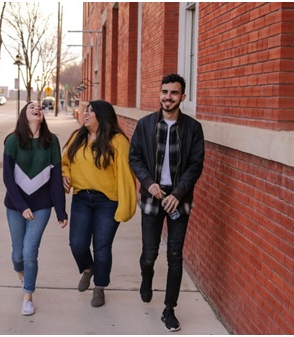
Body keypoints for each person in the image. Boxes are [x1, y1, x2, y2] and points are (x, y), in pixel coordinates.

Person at [129, 73, 204, 332]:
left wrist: (179, 193)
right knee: (149, 253)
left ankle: (169, 309)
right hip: (152, 195)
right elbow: (135, 157)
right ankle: (146, 277)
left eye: (173, 93)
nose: (167, 97)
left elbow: (195, 165)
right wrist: (148, 182)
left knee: (175, 255)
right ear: (159, 94)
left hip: (178, 198)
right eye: (164, 92)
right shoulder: (146, 125)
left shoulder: (193, 128)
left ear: (182, 97)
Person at [62, 100, 136, 308]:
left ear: (102, 116)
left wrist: (125, 205)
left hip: (108, 201)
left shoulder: (118, 141)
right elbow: (65, 162)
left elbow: (125, 175)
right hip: (81, 198)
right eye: (86, 110)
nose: (86, 114)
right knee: (77, 244)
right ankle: (87, 269)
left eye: (91, 111)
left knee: (102, 247)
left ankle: (100, 287)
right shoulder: (78, 137)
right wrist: (65, 176)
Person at [3, 102, 68, 316]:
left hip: (41, 206)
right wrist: (22, 207)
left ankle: (28, 295)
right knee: (17, 255)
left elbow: (57, 178)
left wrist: (60, 210)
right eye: (31, 106)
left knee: (30, 251)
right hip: (15, 206)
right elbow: (8, 179)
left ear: (42, 116)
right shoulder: (12, 141)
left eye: (40, 107)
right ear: (24, 114)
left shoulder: (52, 142)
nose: (37, 108)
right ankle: (23, 275)